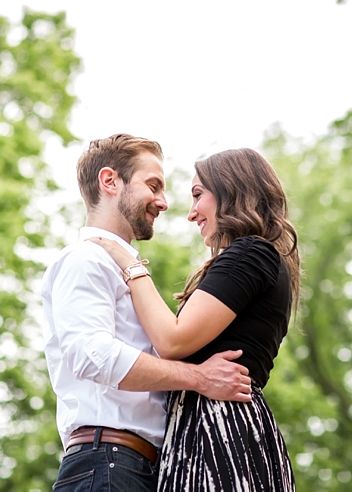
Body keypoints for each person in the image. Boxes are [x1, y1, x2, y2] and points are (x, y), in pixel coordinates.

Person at [41, 134, 253, 492]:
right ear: (110, 181)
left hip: (135, 468)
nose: (164, 202)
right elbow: (92, 355)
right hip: (107, 464)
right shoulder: (85, 259)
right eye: (153, 185)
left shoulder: (122, 268)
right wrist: (199, 378)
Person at [89, 147, 300, 491]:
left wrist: (129, 262)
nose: (191, 213)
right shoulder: (254, 258)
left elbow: (172, 340)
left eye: (198, 195)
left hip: (221, 433)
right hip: (205, 429)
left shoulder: (251, 253)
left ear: (232, 191)